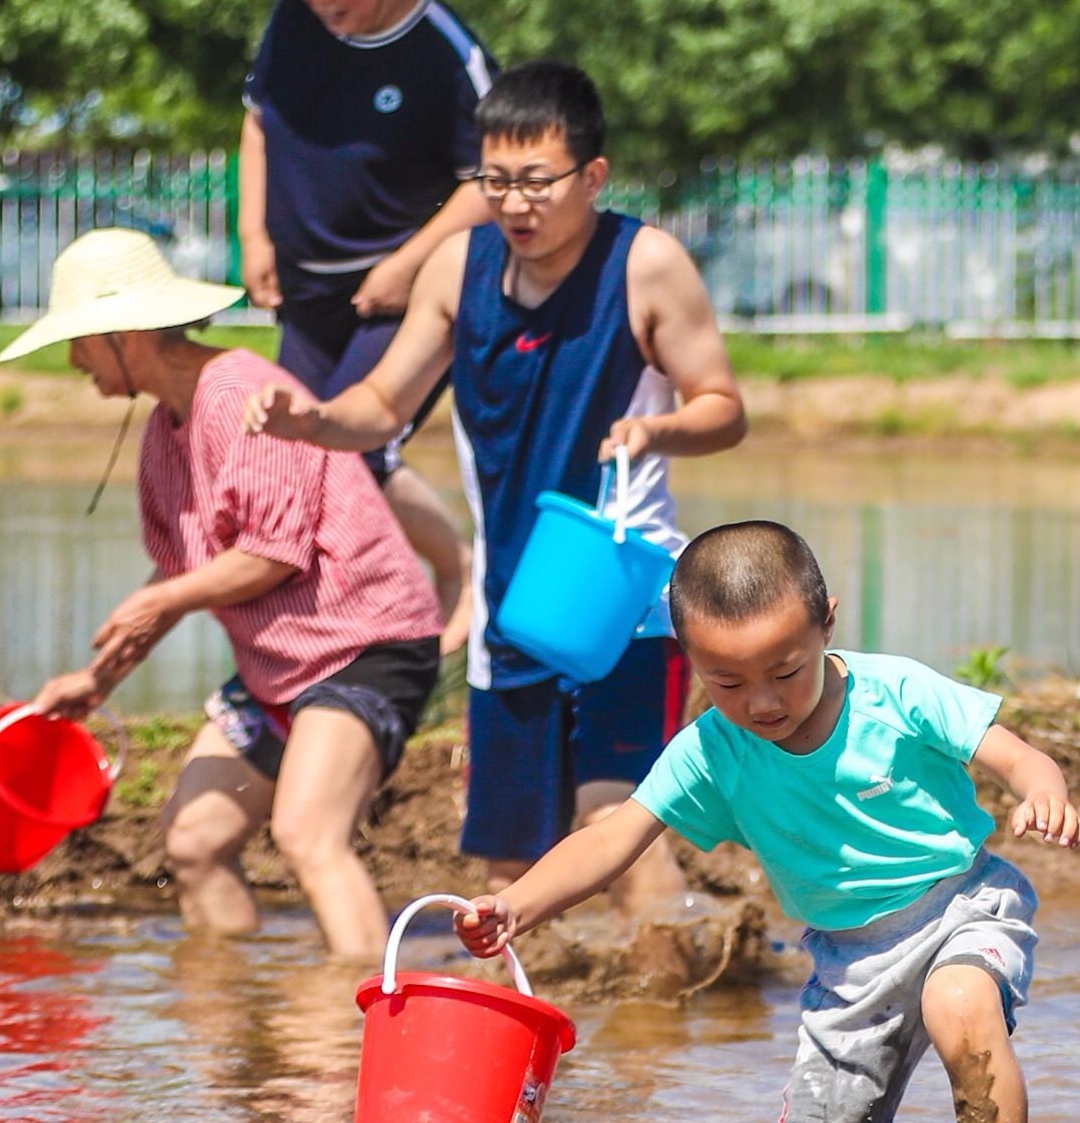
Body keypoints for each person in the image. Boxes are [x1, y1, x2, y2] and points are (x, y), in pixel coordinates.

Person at [459, 522, 1080, 1123]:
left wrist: (1044, 792)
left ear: (826, 624)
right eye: (727, 681)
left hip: (959, 904)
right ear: (692, 660)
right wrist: (517, 903)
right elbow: (612, 840)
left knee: (957, 1000)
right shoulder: (711, 749)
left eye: (785, 671)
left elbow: (1021, 757)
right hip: (847, 966)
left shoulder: (896, 692)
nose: (761, 702)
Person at [248, 61, 745, 915]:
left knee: (618, 828)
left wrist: (656, 429)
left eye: (537, 182)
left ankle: (664, 1026)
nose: (515, 203)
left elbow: (725, 408)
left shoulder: (646, 263)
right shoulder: (455, 268)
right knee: (505, 867)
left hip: (621, 602)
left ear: (593, 176)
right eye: (495, 181)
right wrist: (313, 419)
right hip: (508, 610)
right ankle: (534, 1035)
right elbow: (382, 403)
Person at [2, 230, 443, 960]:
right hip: (280, 667)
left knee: (308, 835)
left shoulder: (239, 395)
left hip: (364, 647)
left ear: (127, 336)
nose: (75, 359)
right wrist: (96, 679)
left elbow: (271, 554)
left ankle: (359, 1030)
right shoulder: (161, 432)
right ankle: (233, 1020)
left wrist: (164, 601)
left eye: (81, 341)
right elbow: (179, 568)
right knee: (194, 841)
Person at [224, 0, 492, 609]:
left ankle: (455, 571)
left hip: (398, 292)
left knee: (358, 448)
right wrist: (253, 236)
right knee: (290, 454)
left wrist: (409, 266)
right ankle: (335, 616)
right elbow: (257, 123)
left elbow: (489, 180)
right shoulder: (291, 20)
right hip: (305, 289)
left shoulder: (448, 52)